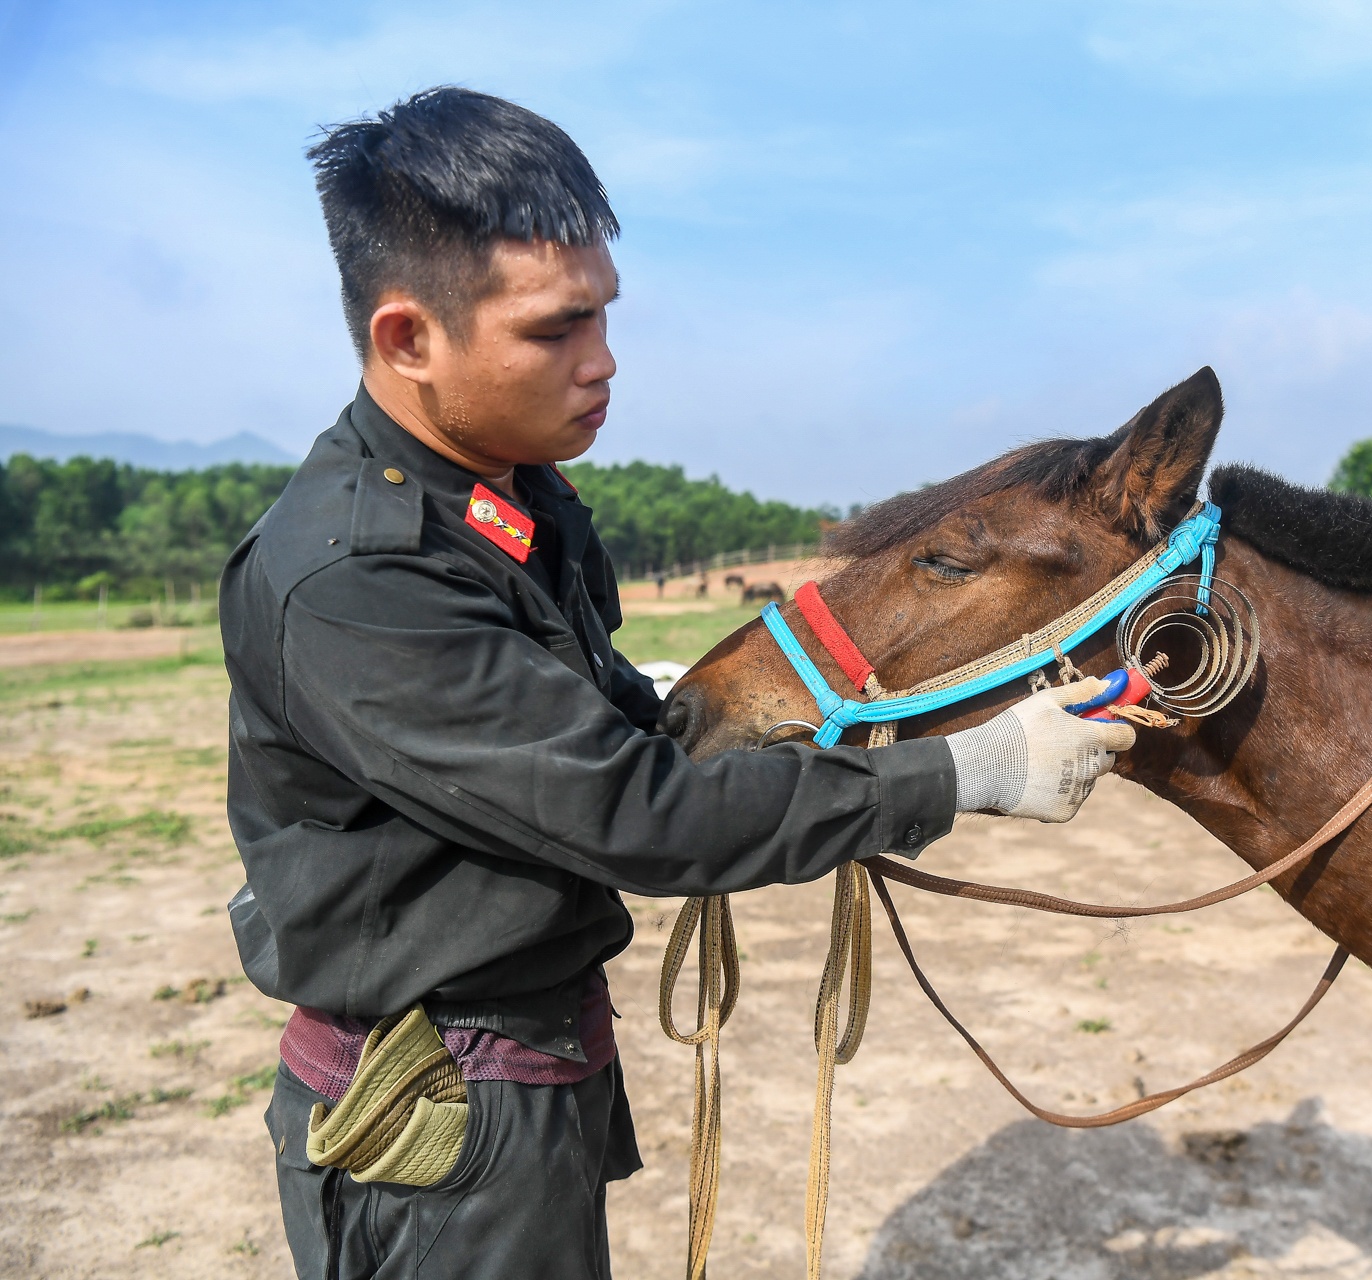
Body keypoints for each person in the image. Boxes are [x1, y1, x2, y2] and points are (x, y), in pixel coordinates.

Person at [220, 87, 1132, 1280]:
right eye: (555, 330)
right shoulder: (360, 574)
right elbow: (640, 814)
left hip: (520, 1061)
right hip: (434, 1101)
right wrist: (966, 770)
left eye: (604, 313)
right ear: (407, 339)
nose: (602, 361)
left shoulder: (508, 498)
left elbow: (608, 731)